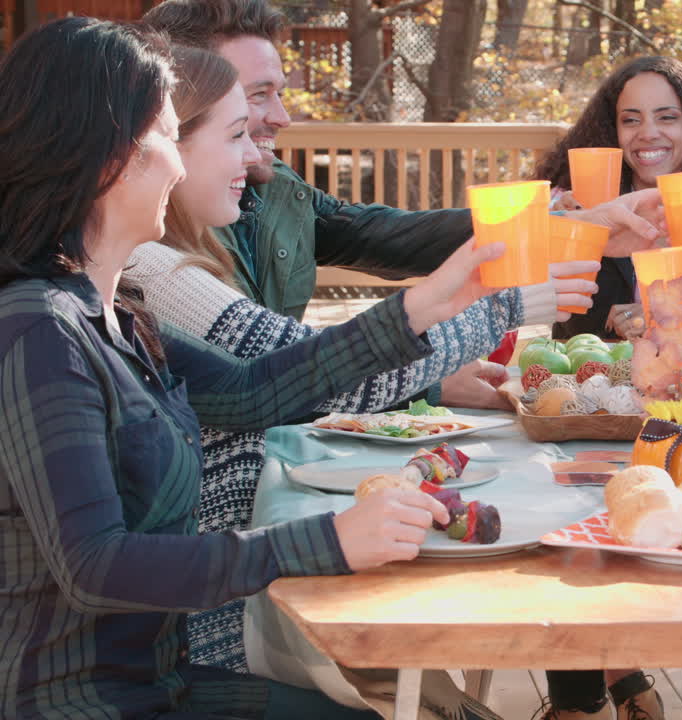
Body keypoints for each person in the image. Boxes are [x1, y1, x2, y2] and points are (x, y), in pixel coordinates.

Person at [0, 17, 525, 719]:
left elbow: (255, 389)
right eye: (163, 136)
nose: (180, 164)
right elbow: (95, 566)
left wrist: (424, 306)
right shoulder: (40, 331)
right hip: (79, 703)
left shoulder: (117, 313)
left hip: (156, 680)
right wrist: (325, 541)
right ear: (104, 159)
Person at [121, 45, 591, 688]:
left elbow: (282, 380)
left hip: (217, 605)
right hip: (212, 630)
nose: (259, 153)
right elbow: (298, 374)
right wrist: (509, 299)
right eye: (238, 132)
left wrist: (491, 290)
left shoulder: (164, 264)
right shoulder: (153, 273)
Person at [141, 0, 666, 409]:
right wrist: (497, 311)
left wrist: (566, 224)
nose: (282, 117)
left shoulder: (276, 187)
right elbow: (279, 375)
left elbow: (383, 235)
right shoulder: (147, 260)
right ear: (176, 112)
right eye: (255, 99)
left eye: (276, 93)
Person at [532, 55, 682, 342]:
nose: (649, 133)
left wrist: (671, 321)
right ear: (613, 129)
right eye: (631, 120)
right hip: (590, 377)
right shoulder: (577, 200)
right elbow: (544, 309)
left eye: (667, 117)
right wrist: (568, 228)